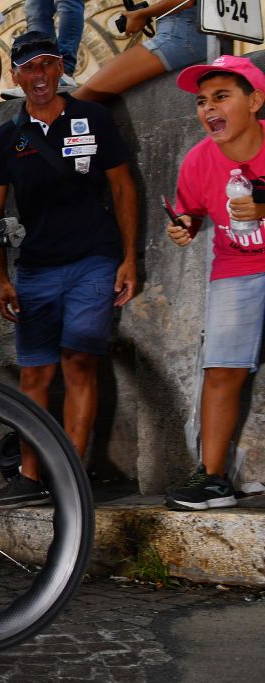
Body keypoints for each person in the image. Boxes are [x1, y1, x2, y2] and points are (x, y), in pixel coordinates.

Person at [0, 32, 137, 506]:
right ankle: (30, 475)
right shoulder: (6, 138)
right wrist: (2, 278)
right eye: (30, 67)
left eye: (48, 65)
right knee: (36, 376)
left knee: (79, 363)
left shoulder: (93, 118)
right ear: (16, 76)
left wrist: (129, 258)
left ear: (61, 67)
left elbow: (124, 189)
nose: (40, 75)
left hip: (94, 259)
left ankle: (71, 473)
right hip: (37, 269)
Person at [164, 56, 265, 510]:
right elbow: (191, 210)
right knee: (221, 371)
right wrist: (183, 225)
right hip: (236, 269)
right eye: (202, 101)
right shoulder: (197, 160)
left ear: (255, 101)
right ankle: (213, 480)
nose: (208, 109)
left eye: (221, 97)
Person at [73, 1, 204, 102]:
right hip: (184, 32)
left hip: (180, 36)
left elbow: (185, 1)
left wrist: (142, 14)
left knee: (84, 95)